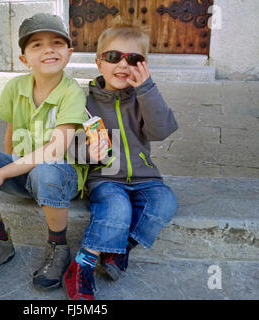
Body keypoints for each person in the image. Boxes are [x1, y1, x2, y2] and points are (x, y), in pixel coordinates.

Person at [0, 13, 88, 291]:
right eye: (37, 45)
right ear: (24, 58)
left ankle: (59, 247)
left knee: (47, 169)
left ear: (69, 53)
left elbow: (55, 150)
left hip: (59, 179)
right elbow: (11, 130)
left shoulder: (72, 92)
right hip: (24, 172)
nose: (48, 50)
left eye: (57, 43)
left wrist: (2, 174)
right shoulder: (15, 86)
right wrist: (7, 167)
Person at [63, 24, 179, 300]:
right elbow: (68, 147)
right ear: (99, 61)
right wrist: (88, 154)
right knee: (117, 209)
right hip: (105, 177)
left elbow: (161, 131)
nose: (123, 65)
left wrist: (147, 89)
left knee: (165, 203)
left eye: (134, 59)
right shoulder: (82, 101)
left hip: (145, 177)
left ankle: (118, 250)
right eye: (114, 57)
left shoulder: (144, 97)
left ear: (144, 65)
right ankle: (83, 264)